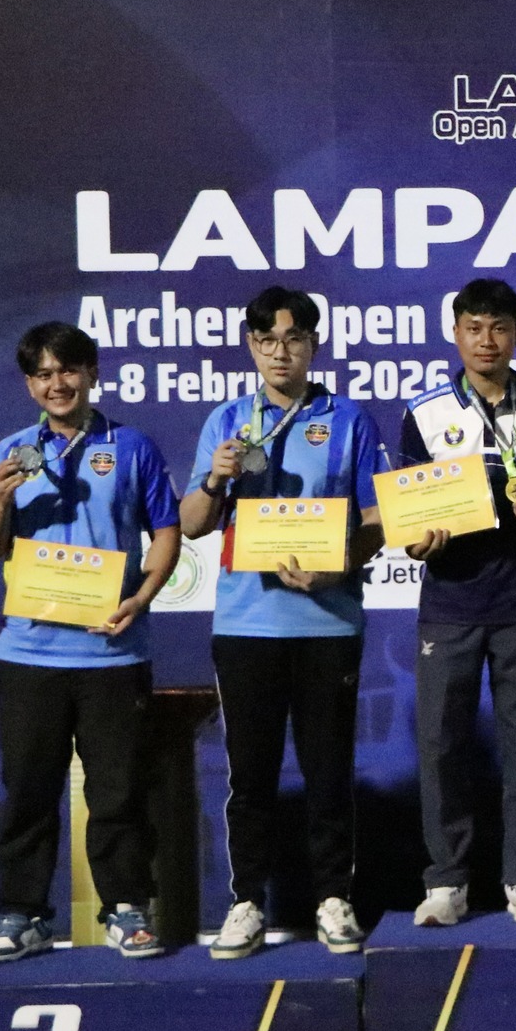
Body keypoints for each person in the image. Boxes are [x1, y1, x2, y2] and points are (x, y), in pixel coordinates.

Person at [182, 286, 385, 957]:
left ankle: (333, 898)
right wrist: (214, 479)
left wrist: (336, 567)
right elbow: (192, 524)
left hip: (328, 624)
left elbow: (375, 518)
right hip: (248, 624)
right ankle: (246, 902)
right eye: (267, 340)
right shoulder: (227, 421)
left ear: (313, 344)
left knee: (329, 773)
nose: (280, 352)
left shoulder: (347, 418)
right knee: (250, 776)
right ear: (251, 345)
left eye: (293, 339)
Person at [0, 322, 181, 963]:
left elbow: (166, 531)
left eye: (67, 370)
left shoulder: (131, 446)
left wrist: (142, 598)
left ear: (91, 373)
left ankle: (127, 908)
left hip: (113, 651)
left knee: (118, 792)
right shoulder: (10, 452)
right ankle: (22, 914)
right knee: (27, 793)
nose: (56, 384)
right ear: (28, 384)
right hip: (29, 653)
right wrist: (0, 501)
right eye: (42, 374)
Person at [398, 279, 516, 927]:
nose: (487, 340)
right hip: (450, 601)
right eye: (474, 328)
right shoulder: (424, 413)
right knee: (442, 744)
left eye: (499, 327)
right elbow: (410, 515)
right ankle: (446, 881)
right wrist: (420, 540)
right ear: (456, 334)